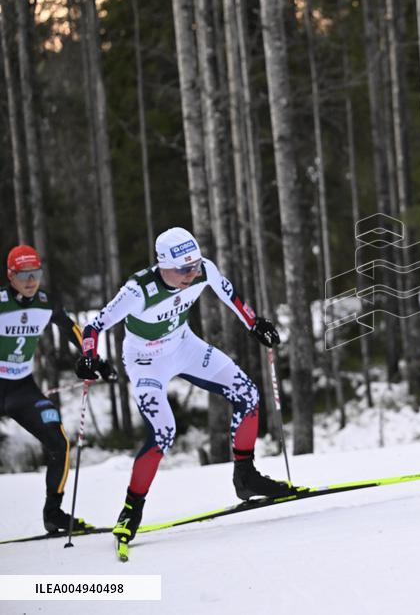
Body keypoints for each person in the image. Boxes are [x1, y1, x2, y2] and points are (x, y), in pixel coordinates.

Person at [76, 227, 298, 548]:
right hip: (146, 361)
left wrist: (255, 323)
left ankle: (246, 476)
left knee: (248, 393)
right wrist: (88, 357)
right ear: (163, 264)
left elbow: (229, 294)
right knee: (164, 432)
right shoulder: (137, 291)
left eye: (195, 265)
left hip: (184, 346)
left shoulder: (202, 270)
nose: (192, 274)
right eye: (184, 269)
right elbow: (94, 326)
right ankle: (131, 510)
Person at [0, 244, 114, 532]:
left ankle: (53, 513)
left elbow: (73, 329)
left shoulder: (45, 303)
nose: (30, 281)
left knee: (58, 441)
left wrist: (95, 360)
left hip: (21, 388)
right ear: (10, 275)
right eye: (23, 275)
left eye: (35, 274)